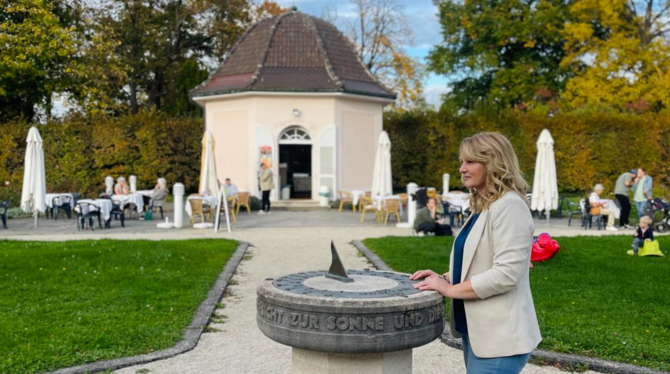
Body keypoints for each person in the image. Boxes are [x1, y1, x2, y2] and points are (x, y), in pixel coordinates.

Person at [410, 132, 541, 374]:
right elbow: (480, 259)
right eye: (462, 161)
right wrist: (446, 277)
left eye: (470, 162)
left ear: (493, 163)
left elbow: (506, 275)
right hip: (478, 333)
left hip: (500, 340)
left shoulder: (509, 206)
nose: (462, 168)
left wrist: (449, 290)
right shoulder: (484, 205)